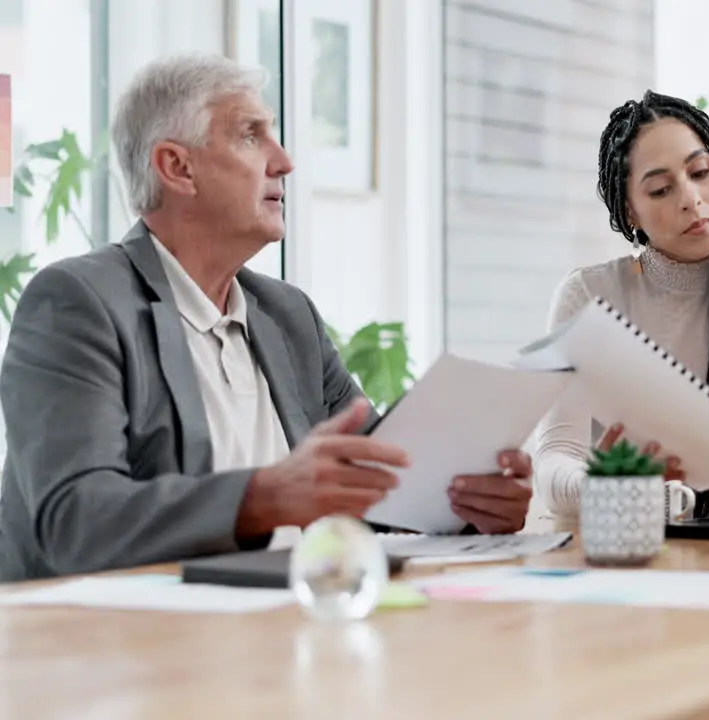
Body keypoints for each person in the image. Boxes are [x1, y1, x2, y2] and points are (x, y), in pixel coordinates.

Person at [0, 54, 532, 582]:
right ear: (176, 167)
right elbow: (74, 520)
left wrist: (465, 504)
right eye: (251, 136)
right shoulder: (77, 303)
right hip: (124, 645)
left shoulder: (287, 314)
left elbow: (375, 489)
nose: (283, 160)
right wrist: (263, 497)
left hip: (284, 623)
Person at [531, 90, 709, 519]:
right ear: (631, 211)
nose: (690, 198)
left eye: (700, 171)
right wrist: (607, 488)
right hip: (620, 553)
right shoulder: (589, 299)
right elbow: (554, 458)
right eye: (661, 189)